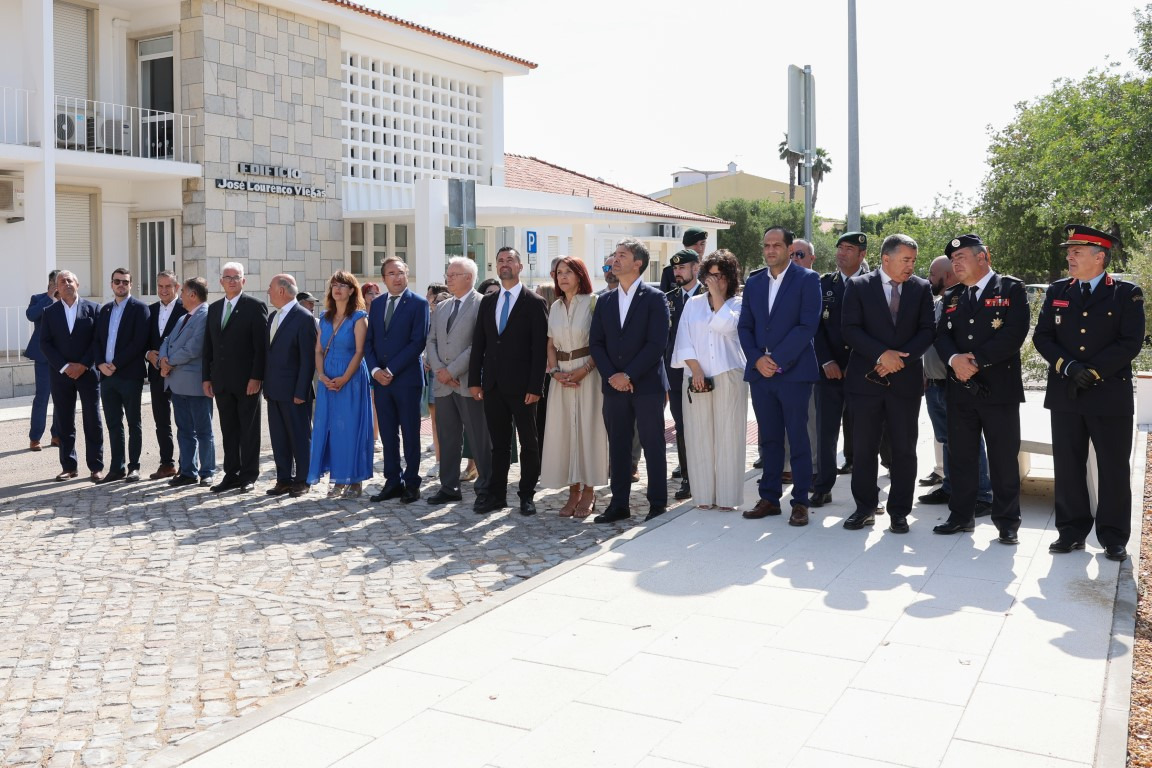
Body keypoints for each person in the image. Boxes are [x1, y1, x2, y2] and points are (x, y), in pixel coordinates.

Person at [1033, 224, 1145, 562]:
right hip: (1066, 392)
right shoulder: (1058, 290)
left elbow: (1130, 342)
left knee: (1113, 468)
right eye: (1069, 252)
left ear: (1099, 257)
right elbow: (1042, 336)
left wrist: (1093, 371)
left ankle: (1113, 537)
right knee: (1068, 465)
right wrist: (1069, 367)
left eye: (1077, 252)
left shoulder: (1126, 293)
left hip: (1109, 394)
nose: (1069, 257)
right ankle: (1071, 531)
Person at [931, 234, 1028, 544]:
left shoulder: (1010, 289)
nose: (955, 264)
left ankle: (1007, 522)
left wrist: (973, 360)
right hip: (960, 388)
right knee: (961, 456)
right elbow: (941, 336)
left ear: (983, 257)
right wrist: (954, 360)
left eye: (961, 257)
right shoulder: (952, 295)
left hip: (998, 390)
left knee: (1003, 459)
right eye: (952, 260)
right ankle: (961, 516)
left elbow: (1014, 334)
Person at [840, 234, 934, 533]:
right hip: (866, 381)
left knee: (904, 449)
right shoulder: (858, 286)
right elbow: (850, 329)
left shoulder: (921, 288)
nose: (911, 266)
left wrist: (899, 360)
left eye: (913, 261)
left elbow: (927, 330)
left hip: (905, 382)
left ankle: (899, 512)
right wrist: (882, 355)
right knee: (864, 448)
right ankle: (865, 507)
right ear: (885, 259)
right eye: (906, 260)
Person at [738, 226, 820, 526]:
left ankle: (800, 502)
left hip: (794, 373)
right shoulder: (754, 282)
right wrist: (758, 359)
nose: (770, 250)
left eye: (776, 245)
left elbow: (807, 326)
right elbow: (744, 326)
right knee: (769, 440)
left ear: (789, 249)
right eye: (766, 245)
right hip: (761, 375)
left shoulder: (807, 279)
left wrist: (776, 359)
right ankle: (769, 498)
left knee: (797, 438)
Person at [590, 238, 670, 523]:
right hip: (614, 387)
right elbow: (596, 343)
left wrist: (629, 375)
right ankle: (619, 504)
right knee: (619, 445)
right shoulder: (605, 300)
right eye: (615, 255)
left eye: (622, 255)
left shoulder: (655, 298)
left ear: (638, 263)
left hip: (647, 385)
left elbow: (656, 343)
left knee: (652, 444)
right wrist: (613, 376)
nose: (615, 259)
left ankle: (657, 503)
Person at [468, 246, 548, 516]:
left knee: (529, 443)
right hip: (492, 385)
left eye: (510, 260)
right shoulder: (488, 302)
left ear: (520, 266)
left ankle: (527, 495)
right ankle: (497, 495)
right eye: (500, 260)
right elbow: (479, 343)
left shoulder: (534, 302)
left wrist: (536, 386)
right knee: (499, 445)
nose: (505, 264)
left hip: (524, 388)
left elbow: (539, 350)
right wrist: (475, 380)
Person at [919, 254, 994, 514]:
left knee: (969, 441)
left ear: (948, 276)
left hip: (955, 383)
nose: (929, 279)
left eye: (932, 274)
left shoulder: (963, 302)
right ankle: (950, 486)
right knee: (946, 440)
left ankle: (983, 494)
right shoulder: (940, 302)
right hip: (934, 384)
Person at [672, 250, 747, 510]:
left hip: (729, 375)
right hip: (696, 377)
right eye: (711, 275)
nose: (715, 280)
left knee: (729, 436)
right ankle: (703, 496)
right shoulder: (693, 304)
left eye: (721, 276)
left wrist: (716, 295)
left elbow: (728, 327)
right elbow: (683, 340)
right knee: (698, 436)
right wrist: (696, 370)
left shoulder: (738, 304)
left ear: (731, 277)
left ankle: (728, 497)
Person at [541, 256, 608, 518]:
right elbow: (549, 344)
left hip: (588, 374)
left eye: (568, 271)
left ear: (580, 275)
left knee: (588, 430)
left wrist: (585, 369)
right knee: (565, 433)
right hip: (561, 377)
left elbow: (601, 342)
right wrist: (555, 372)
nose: (563, 276)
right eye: (559, 272)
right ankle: (573, 491)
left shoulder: (594, 302)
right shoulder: (555, 306)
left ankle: (589, 491)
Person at [425, 257, 493, 508]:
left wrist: (452, 370)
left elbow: (479, 344)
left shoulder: (483, 304)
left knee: (478, 437)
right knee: (448, 436)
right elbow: (431, 340)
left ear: (469, 277)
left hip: (468, 382)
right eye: (448, 274)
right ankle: (449, 487)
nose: (448, 278)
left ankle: (486, 486)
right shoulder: (442, 307)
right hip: (443, 385)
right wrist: (440, 371)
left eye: (454, 275)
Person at [811, 232, 869, 506]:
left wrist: (857, 363)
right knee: (826, 433)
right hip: (829, 373)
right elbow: (815, 328)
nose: (842, 253)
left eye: (849, 249)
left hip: (863, 373)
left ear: (862, 254)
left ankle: (866, 493)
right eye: (840, 248)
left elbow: (877, 330)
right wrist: (826, 361)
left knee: (865, 435)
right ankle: (823, 486)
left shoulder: (873, 285)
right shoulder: (824, 284)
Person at [366, 256, 429, 504]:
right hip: (380, 381)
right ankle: (392, 481)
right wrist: (375, 371)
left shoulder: (419, 303)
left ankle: (412, 483)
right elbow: (370, 341)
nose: (397, 277)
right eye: (392, 273)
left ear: (407, 274)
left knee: (410, 433)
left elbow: (418, 341)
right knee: (388, 433)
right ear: (384, 278)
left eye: (401, 272)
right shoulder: (377, 304)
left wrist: (391, 370)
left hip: (406, 379)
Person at [202, 261, 268, 494]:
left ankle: (248, 475)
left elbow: (261, 347)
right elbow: (208, 346)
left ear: (243, 281)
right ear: (221, 281)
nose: (231, 281)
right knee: (228, 430)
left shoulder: (255, 306)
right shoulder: (214, 308)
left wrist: (257, 377)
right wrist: (206, 377)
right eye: (227, 277)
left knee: (248, 431)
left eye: (236, 277)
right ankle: (231, 474)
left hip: (247, 382)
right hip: (221, 381)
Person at [308, 271, 374, 498]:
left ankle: (354, 479)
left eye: (343, 285)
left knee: (351, 427)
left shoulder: (359, 317)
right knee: (330, 428)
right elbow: (318, 350)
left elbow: (360, 351)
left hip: (351, 378)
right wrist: (321, 375)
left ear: (352, 290)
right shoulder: (325, 317)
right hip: (327, 378)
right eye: (334, 285)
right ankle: (337, 478)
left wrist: (345, 378)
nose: (337, 289)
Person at [39, 270, 104, 481]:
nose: (66, 283)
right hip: (61, 375)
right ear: (56, 287)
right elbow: (45, 343)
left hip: (87, 373)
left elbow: (98, 341)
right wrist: (65, 366)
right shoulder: (50, 312)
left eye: (69, 280)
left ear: (77, 284)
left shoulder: (93, 309)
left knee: (92, 420)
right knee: (64, 421)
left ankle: (96, 466)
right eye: (62, 281)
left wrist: (83, 365)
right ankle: (69, 466)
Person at [93, 268, 150, 484]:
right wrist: (100, 364)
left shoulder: (140, 309)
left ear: (131, 285)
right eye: (117, 281)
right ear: (111, 284)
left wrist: (115, 364)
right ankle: (117, 467)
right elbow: (97, 340)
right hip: (107, 376)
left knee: (133, 423)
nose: (121, 285)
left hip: (129, 375)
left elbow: (139, 342)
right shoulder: (105, 310)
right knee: (113, 423)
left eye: (125, 282)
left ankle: (134, 467)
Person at [158, 278, 216, 487]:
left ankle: (207, 471)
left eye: (182, 291)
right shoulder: (184, 317)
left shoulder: (206, 315)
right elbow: (167, 341)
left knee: (203, 430)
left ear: (192, 295)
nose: (179, 294)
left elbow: (194, 348)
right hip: (176, 382)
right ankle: (188, 471)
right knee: (184, 430)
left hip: (194, 384)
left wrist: (169, 362)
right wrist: (162, 360)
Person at [264, 274, 317, 498]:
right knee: (279, 438)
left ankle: (303, 479)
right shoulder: (273, 316)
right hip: (274, 390)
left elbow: (308, 359)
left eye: (270, 287)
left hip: (295, 392)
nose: (268, 291)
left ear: (281, 291)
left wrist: (301, 391)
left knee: (299, 438)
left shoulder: (304, 317)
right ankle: (283, 479)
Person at [665, 249, 703, 501]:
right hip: (676, 373)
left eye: (682, 267)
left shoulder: (709, 295)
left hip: (704, 371)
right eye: (675, 268)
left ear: (696, 268)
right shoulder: (668, 299)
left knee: (705, 425)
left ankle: (707, 474)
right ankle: (688, 478)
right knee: (682, 426)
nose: (677, 272)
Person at [781, 238, 819, 483]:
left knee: (809, 421)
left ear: (812, 258)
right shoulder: (777, 285)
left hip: (810, 363)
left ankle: (812, 468)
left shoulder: (818, 283)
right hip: (780, 364)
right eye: (791, 254)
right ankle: (786, 465)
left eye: (800, 255)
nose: (794, 259)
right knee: (784, 421)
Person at [144, 271, 186, 479]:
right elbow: (143, 341)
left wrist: (169, 362)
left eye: (168, 286)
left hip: (179, 373)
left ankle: (186, 464)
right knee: (161, 421)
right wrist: (147, 354)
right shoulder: (150, 310)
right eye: (160, 286)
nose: (163, 290)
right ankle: (167, 463)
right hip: (156, 374)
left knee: (183, 421)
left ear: (177, 287)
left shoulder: (186, 309)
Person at [24, 269, 61, 451]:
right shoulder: (38, 299)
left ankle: (57, 435)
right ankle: (35, 437)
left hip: (63, 357)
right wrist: (49, 297)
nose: (61, 285)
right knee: (42, 397)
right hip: (44, 357)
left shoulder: (68, 300)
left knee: (61, 397)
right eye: (57, 282)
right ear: (51, 283)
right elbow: (31, 315)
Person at [423, 282, 449, 479]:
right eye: (434, 302)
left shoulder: (455, 317)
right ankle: (440, 461)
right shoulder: (429, 320)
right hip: (434, 375)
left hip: (454, 373)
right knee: (436, 421)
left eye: (438, 302)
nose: (434, 305)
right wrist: (427, 358)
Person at [661, 227, 708, 292]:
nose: (700, 248)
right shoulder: (670, 271)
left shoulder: (709, 269)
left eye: (702, 244)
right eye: (695, 244)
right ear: (686, 246)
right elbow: (664, 295)